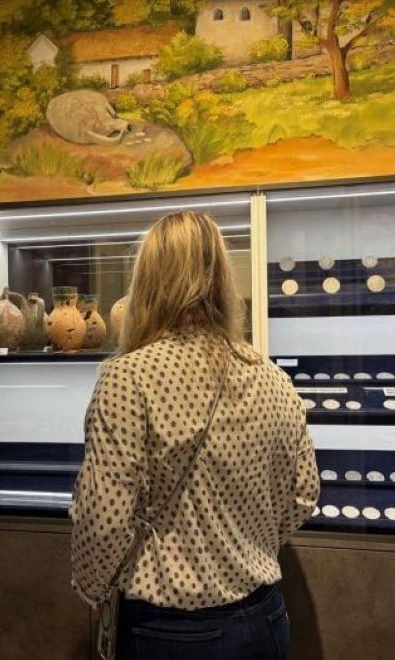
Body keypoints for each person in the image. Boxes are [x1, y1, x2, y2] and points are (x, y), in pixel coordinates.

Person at [70, 210, 320, 660]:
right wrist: (248, 544)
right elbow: (303, 494)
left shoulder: (128, 377)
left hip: (172, 632)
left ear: (147, 282)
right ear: (222, 278)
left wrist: (93, 589)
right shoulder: (272, 377)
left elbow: (104, 520)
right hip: (266, 618)